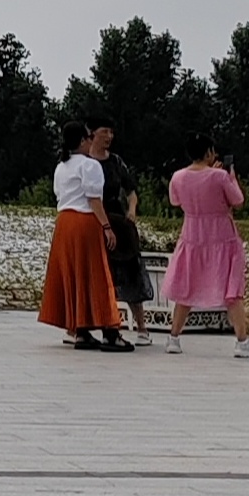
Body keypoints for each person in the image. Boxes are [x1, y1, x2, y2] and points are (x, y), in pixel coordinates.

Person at [160, 137, 249, 357]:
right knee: (232, 290)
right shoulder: (220, 176)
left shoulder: (178, 176)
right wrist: (230, 178)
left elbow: (175, 202)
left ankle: (174, 337)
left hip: (192, 234)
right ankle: (242, 341)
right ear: (208, 153)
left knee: (185, 288)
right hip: (222, 235)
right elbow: (237, 200)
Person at [39, 121, 130, 352]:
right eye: (89, 137)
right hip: (85, 221)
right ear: (82, 141)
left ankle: (81, 329)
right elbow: (93, 199)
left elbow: (59, 195)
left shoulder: (62, 166)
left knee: (75, 275)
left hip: (64, 223)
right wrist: (107, 226)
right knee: (97, 274)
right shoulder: (89, 166)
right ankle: (110, 331)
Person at [98, 132, 155, 347]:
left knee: (130, 271)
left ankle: (141, 327)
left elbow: (131, 191)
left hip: (119, 221)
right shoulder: (85, 163)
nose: (110, 136)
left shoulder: (115, 161)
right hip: (96, 219)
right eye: (105, 132)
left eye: (112, 132)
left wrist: (132, 209)